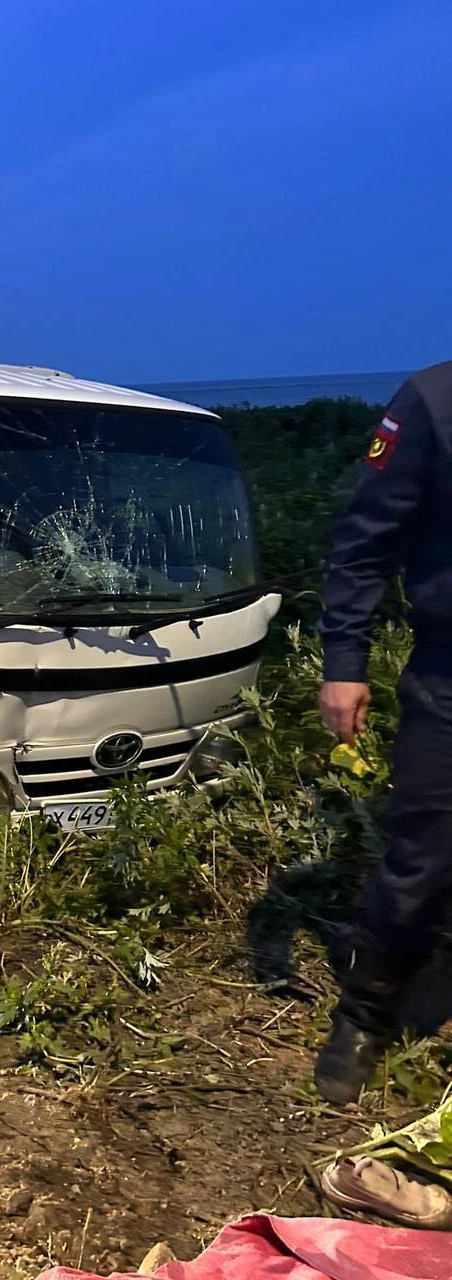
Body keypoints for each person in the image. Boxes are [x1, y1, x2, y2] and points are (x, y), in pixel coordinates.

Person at [315, 360, 452, 1104]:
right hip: (449, 676)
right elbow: (366, 541)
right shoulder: (433, 399)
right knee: (424, 858)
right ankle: (366, 1012)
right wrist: (345, 661)